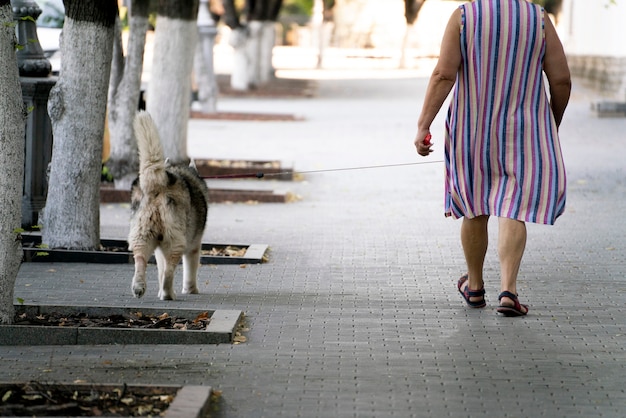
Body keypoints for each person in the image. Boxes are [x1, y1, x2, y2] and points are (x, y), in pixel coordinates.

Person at [414, 0, 571, 316]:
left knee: (475, 205)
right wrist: (551, 122)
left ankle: (474, 288)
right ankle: (508, 291)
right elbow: (561, 80)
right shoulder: (538, 18)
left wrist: (424, 124)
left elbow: (444, 74)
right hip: (525, 131)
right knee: (513, 206)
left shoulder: (463, 17)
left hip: (472, 129)